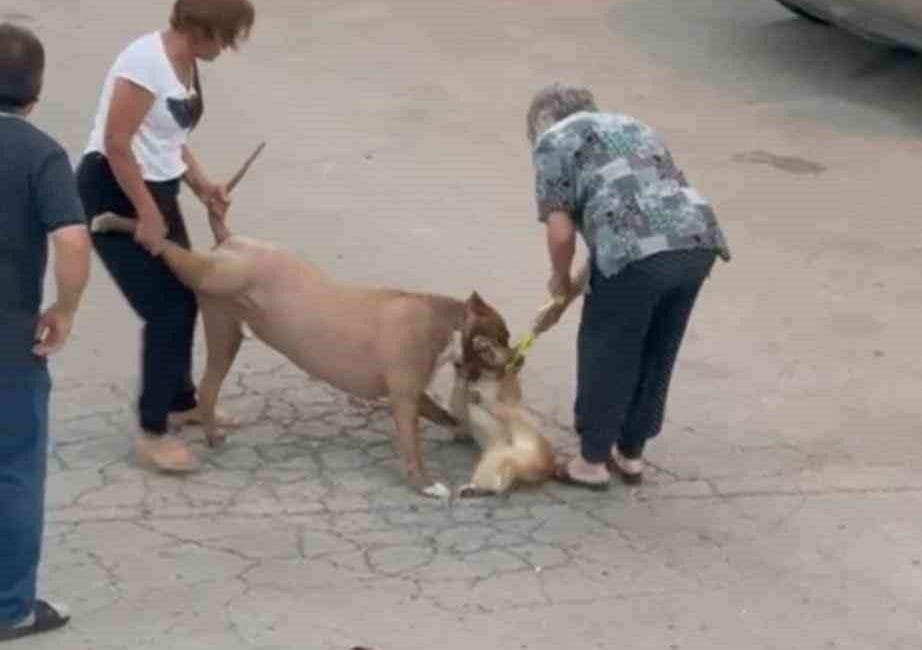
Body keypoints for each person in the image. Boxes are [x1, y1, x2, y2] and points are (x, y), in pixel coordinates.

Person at [76, 0, 255, 473]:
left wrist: (202, 186)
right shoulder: (144, 62)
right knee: (166, 308)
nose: (229, 47)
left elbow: (170, 136)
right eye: (227, 36)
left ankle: (181, 401)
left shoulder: (187, 62)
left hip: (156, 189)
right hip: (112, 190)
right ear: (200, 28)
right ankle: (153, 430)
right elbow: (117, 143)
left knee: (187, 293)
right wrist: (145, 212)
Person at [527, 83, 731, 489]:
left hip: (635, 254)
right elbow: (623, 231)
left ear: (539, 123)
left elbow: (563, 234)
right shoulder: (631, 126)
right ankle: (631, 452)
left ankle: (591, 462)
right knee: (658, 346)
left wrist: (558, 281)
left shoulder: (553, 142)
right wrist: (570, 292)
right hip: (694, 241)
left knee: (607, 348)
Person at [0, 23, 91, 641]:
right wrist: (65, 308)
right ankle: (9, 609)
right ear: (34, 95)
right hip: (9, 348)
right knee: (13, 472)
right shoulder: (40, 155)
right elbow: (72, 240)